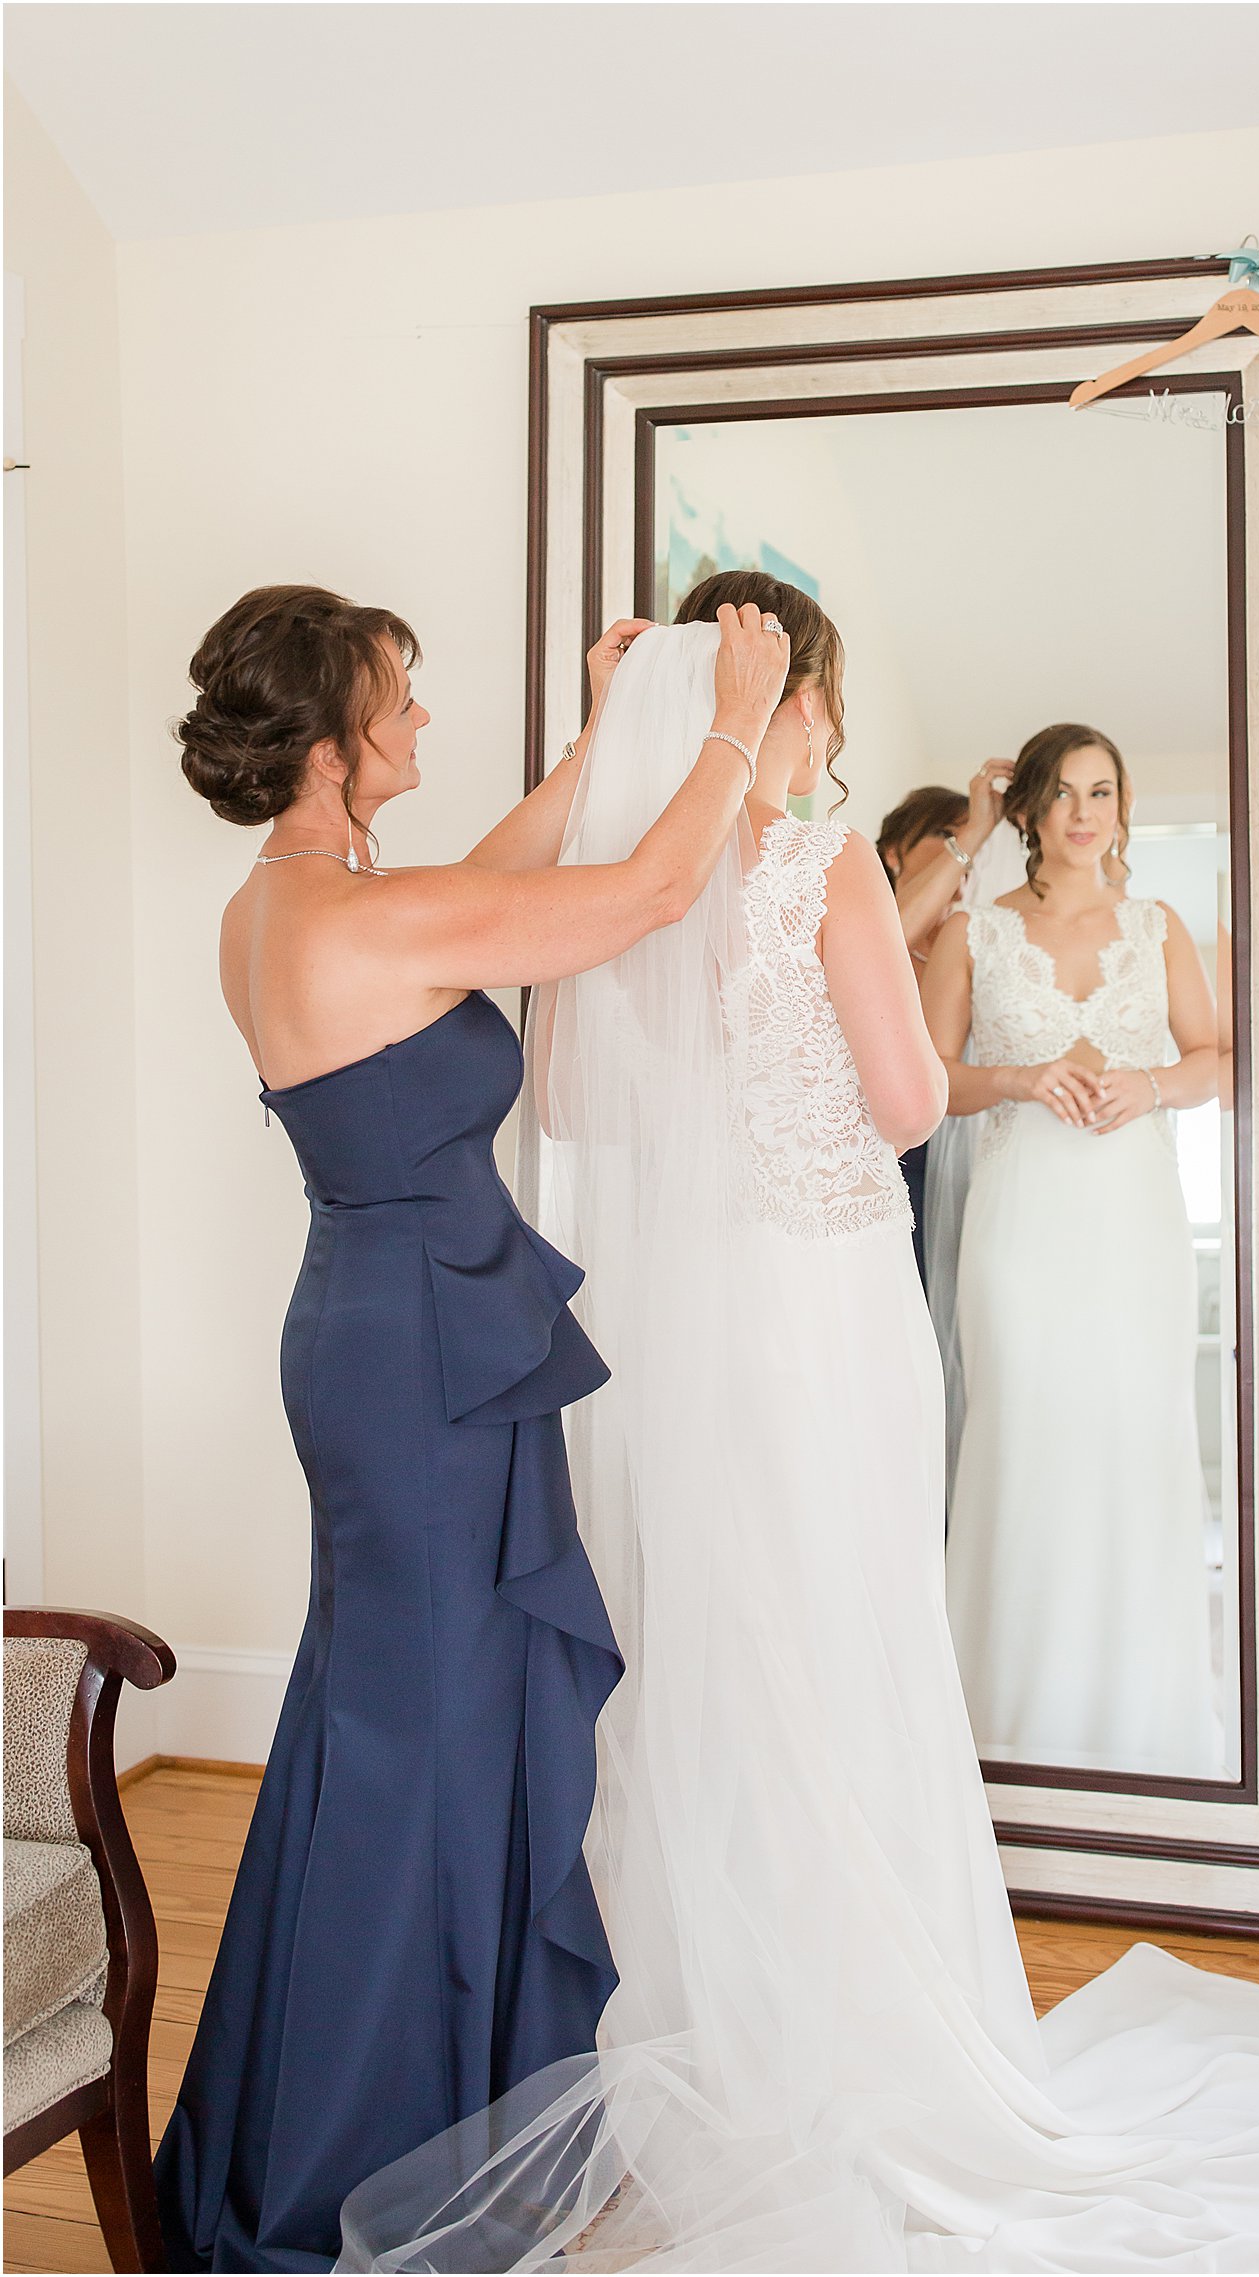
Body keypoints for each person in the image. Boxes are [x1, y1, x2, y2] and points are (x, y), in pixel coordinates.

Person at [339, 582, 1259, 2275]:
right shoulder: (819, 867)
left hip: (677, 1327)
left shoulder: (626, 892)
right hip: (820, 1308)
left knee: (714, 1645)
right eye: (815, 701)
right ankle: (861, 2014)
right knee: (847, 1636)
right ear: (795, 698)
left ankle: (714, 2008)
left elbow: (580, 1104)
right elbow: (902, 1104)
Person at [153, 583, 789, 2271]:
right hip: (414, 1365)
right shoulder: (357, 923)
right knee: (407, 1747)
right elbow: (645, 894)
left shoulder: (304, 898)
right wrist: (742, 704)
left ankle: (431, 2102)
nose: (425, 725)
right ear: (339, 739)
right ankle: (342, 2157)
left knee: (413, 1730)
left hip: (404, 1338)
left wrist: (599, 736)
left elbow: (491, 888)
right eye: (405, 703)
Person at [922, 724, 1224, 1777]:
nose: (1085, 813)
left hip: (1131, 1220)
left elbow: (1214, 1056)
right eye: (1064, 794)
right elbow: (923, 1080)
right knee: (1026, 1439)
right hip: (1019, 1222)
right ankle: (1000, 1734)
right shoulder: (974, 935)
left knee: (1132, 1444)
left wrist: (1147, 1087)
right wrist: (1014, 1079)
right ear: (1028, 811)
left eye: (1102, 792)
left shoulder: (1157, 927)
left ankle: (1139, 1732)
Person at [877, 771, 1011, 1279]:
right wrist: (973, 833)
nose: (962, 848)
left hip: (982, 1150)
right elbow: (887, 943)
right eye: (944, 834)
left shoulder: (979, 948)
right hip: (900, 1156)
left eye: (970, 837)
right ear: (894, 852)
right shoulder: (872, 936)